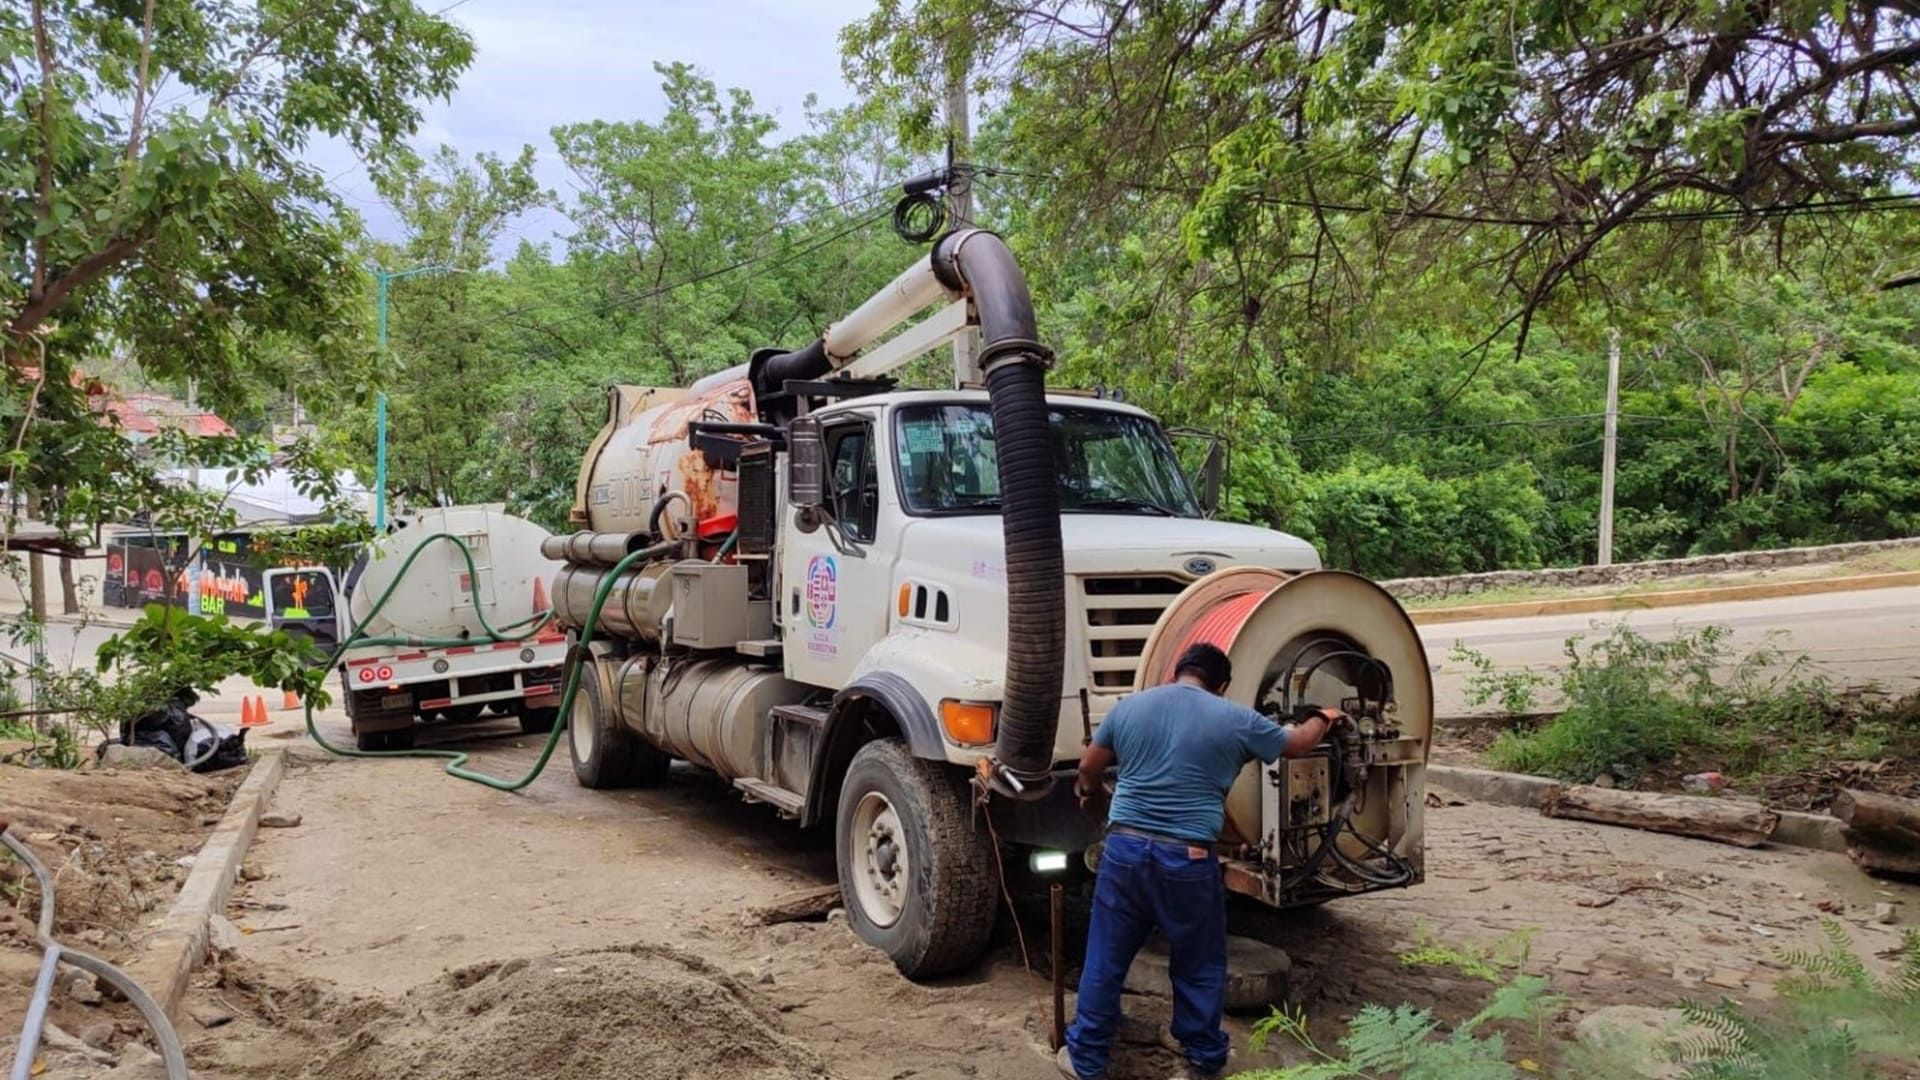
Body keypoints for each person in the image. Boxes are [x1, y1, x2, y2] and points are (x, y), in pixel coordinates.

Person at [1058, 642, 1340, 1080]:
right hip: (1187, 859)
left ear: (1176, 671)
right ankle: (1204, 1057)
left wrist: (1087, 790)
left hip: (1124, 852)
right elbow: (1299, 744)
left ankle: (1087, 1058)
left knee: (1106, 956)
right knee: (1198, 962)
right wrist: (1325, 717)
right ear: (1222, 685)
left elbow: (1090, 766)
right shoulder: (1237, 719)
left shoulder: (1129, 708)